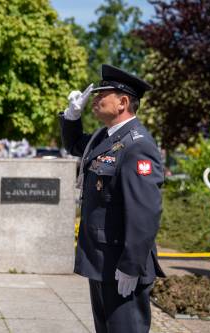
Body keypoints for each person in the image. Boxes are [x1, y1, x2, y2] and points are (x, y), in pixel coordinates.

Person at [59, 64, 165, 333]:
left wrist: (131, 265)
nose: (94, 99)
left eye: (101, 95)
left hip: (120, 265)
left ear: (123, 102)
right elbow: (74, 146)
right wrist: (72, 116)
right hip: (102, 262)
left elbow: (145, 212)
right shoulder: (106, 137)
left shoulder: (137, 145)